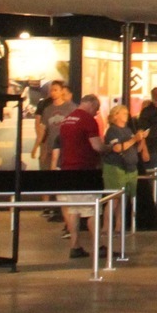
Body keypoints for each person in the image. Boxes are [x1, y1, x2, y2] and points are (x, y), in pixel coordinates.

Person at [56, 94, 104, 259]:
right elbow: (97, 146)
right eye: (96, 109)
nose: (96, 113)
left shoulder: (67, 119)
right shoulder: (88, 120)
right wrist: (109, 148)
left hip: (67, 169)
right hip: (85, 170)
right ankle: (98, 246)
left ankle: (74, 246)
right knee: (92, 209)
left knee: (73, 209)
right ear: (91, 104)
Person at [98, 102, 146, 216]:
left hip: (130, 168)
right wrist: (134, 139)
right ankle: (106, 228)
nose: (126, 114)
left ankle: (119, 228)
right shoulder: (112, 130)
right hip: (116, 167)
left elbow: (137, 149)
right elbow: (117, 148)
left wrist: (142, 139)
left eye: (126, 112)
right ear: (116, 115)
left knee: (123, 200)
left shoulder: (128, 130)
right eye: (123, 112)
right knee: (114, 199)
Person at [33, 80, 73, 171]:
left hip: (66, 149)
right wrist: (36, 146)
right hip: (50, 147)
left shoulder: (71, 108)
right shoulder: (47, 109)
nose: (53, 93)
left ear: (62, 91)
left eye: (56, 90)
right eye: (51, 90)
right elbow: (41, 128)